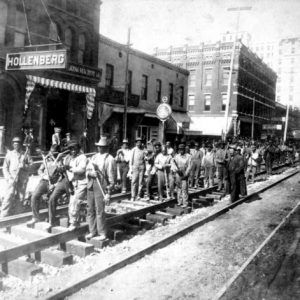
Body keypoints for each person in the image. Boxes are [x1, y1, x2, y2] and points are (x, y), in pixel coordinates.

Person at [86, 136, 116, 240]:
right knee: (90, 209)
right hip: (91, 184)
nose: (100, 148)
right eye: (99, 147)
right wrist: (90, 173)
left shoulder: (110, 159)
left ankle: (102, 233)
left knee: (99, 210)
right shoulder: (93, 157)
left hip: (101, 185)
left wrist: (108, 191)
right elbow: (87, 170)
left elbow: (111, 178)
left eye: (102, 147)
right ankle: (92, 231)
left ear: (106, 147)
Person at [27, 145, 63, 225]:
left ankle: (51, 220)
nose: (51, 154)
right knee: (34, 196)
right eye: (51, 151)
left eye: (54, 152)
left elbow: (62, 176)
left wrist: (55, 185)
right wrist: (43, 175)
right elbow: (40, 170)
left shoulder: (60, 161)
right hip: (44, 181)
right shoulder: (46, 160)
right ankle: (35, 217)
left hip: (54, 183)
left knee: (51, 199)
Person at [1, 137, 32, 217]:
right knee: (8, 196)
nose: (16, 145)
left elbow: (31, 166)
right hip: (12, 179)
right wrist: (8, 178)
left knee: (20, 197)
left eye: (18, 143)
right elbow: (5, 167)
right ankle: (3, 216)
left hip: (22, 179)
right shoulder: (9, 154)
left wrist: (24, 166)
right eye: (14, 143)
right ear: (12, 145)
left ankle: (17, 216)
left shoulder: (25, 154)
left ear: (20, 145)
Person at [64, 140, 88, 230]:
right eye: (71, 149)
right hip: (74, 183)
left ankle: (73, 223)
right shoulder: (70, 158)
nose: (73, 151)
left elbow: (81, 169)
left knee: (75, 202)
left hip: (82, 183)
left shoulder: (82, 157)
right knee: (71, 203)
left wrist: (70, 168)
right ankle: (74, 221)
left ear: (78, 149)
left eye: (75, 149)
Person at [129, 137, 146, 201]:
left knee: (140, 182)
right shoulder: (133, 150)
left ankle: (138, 195)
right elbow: (131, 160)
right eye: (137, 142)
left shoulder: (143, 150)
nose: (139, 143)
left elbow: (145, 158)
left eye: (140, 142)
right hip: (135, 167)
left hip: (141, 167)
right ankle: (133, 196)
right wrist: (130, 169)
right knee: (134, 181)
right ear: (136, 143)